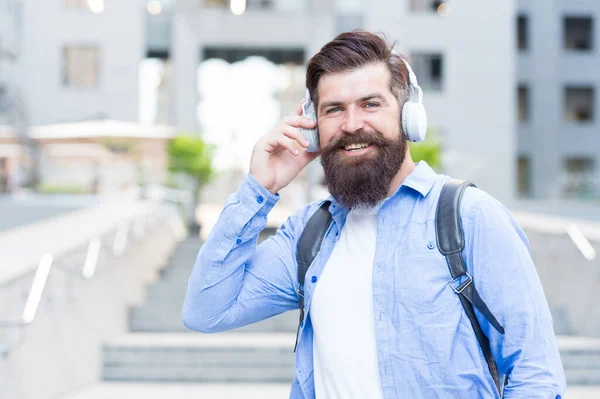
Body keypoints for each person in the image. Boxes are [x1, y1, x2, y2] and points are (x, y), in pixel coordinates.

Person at [182, 30, 565, 399]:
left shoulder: (471, 218)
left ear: (408, 115)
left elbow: (536, 374)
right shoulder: (309, 233)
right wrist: (260, 189)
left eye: (370, 104)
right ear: (313, 126)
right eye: (334, 109)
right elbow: (207, 309)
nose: (351, 125)